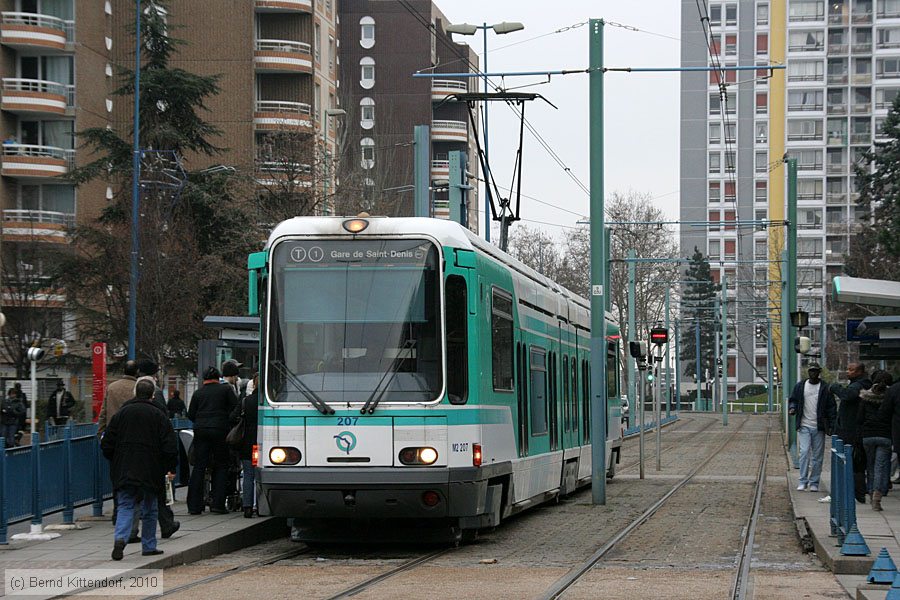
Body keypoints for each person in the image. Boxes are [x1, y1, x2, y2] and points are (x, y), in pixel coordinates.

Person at [101, 379, 178, 560]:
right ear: (152, 395)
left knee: (125, 504)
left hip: (125, 467)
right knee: (150, 508)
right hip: (150, 469)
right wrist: (170, 468)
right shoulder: (159, 415)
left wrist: (116, 460)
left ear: (135, 393)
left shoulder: (121, 414)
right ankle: (149, 545)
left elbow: (107, 443)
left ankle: (120, 538)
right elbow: (169, 446)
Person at [187, 366, 238, 515]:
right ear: (218, 378)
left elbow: (191, 414)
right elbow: (236, 408)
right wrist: (227, 420)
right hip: (220, 430)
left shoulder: (198, 393)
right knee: (221, 465)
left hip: (201, 430)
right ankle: (218, 504)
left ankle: (194, 506)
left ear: (204, 379)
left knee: (199, 466)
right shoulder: (226, 390)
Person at [789, 362, 836, 492]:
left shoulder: (825, 388)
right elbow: (793, 400)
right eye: (811, 371)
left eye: (815, 371)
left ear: (819, 372)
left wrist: (831, 425)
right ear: (808, 372)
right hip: (804, 425)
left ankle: (814, 481)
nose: (813, 373)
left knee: (817, 456)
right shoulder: (800, 386)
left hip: (819, 427)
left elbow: (831, 407)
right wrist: (792, 408)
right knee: (804, 452)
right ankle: (803, 480)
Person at [831, 362, 873, 503]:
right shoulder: (862, 385)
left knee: (854, 463)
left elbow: (848, 395)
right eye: (848, 369)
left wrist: (835, 387)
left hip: (851, 432)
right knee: (859, 463)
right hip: (854, 430)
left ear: (860, 372)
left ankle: (857, 494)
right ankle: (861, 492)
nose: (848, 371)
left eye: (851, 369)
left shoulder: (857, 386)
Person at [858, 370, 894, 510]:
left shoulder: (865, 397)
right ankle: (877, 498)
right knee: (880, 467)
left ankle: (871, 490)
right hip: (885, 435)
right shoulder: (890, 398)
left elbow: (859, 418)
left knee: (870, 466)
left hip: (868, 436)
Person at [230, 373, 258, 518]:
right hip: (263, 444)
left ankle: (247, 506)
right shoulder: (268, 401)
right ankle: (260, 505)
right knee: (259, 475)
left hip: (248, 443)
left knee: (248, 474)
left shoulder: (246, 401)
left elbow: (233, 417)